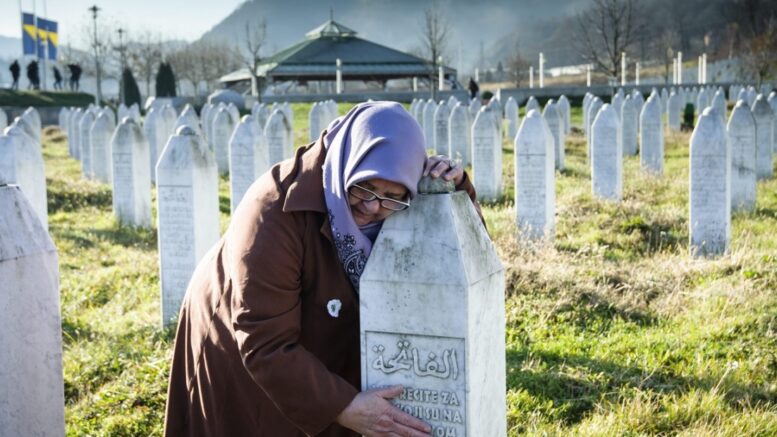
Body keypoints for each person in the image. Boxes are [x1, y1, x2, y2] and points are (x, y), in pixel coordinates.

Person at [164, 101, 482, 436]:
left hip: (318, 346)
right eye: (365, 187)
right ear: (349, 162)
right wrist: (342, 406)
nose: (373, 207)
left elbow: (462, 257)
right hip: (240, 345)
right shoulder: (275, 211)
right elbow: (265, 343)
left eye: (392, 197)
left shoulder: (402, 200)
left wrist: (451, 189)